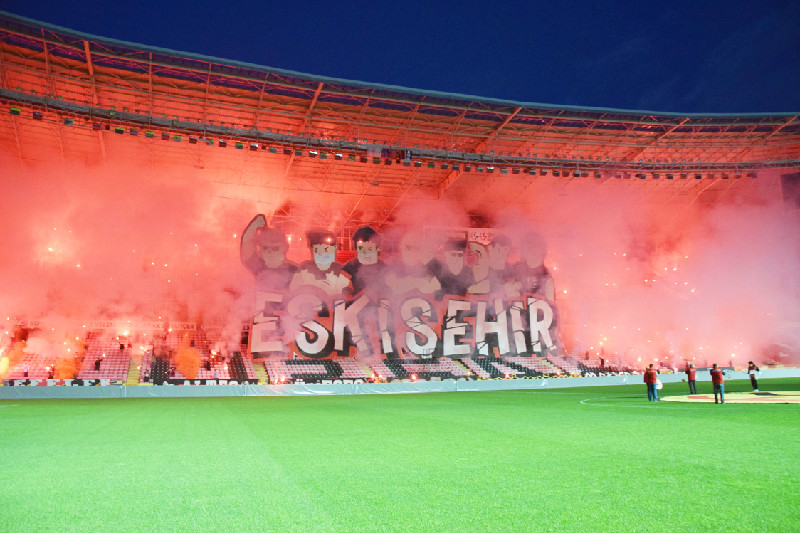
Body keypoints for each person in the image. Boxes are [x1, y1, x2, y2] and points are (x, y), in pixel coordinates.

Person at [240, 214, 298, 290]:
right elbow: (246, 243)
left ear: (284, 248)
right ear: (260, 249)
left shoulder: (294, 270)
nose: (269, 252)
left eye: (274, 248)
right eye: (265, 248)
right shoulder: (259, 266)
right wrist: (254, 225)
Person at [290, 229, 350, 296]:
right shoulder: (304, 269)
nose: (322, 254)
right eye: (318, 250)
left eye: (326, 250)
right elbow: (294, 290)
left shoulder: (341, 270)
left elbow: (348, 293)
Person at [342, 226, 387, 298]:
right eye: (361, 248)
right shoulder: (349, 268)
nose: (365, 253)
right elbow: (342, 293)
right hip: (355, 307)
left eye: (369, 249)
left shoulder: (384, 269)